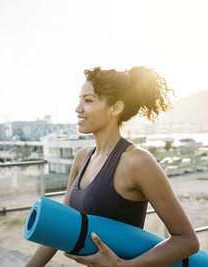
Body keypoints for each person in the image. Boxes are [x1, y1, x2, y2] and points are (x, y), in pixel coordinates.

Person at [26, 66, 199, 267]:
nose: (78, 108)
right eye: (79, 100)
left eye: (88, 100)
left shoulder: (137, 162)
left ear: (116, 108)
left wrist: (122, 266)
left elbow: (187, 241)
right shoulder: (82, 158)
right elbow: (62, 224)